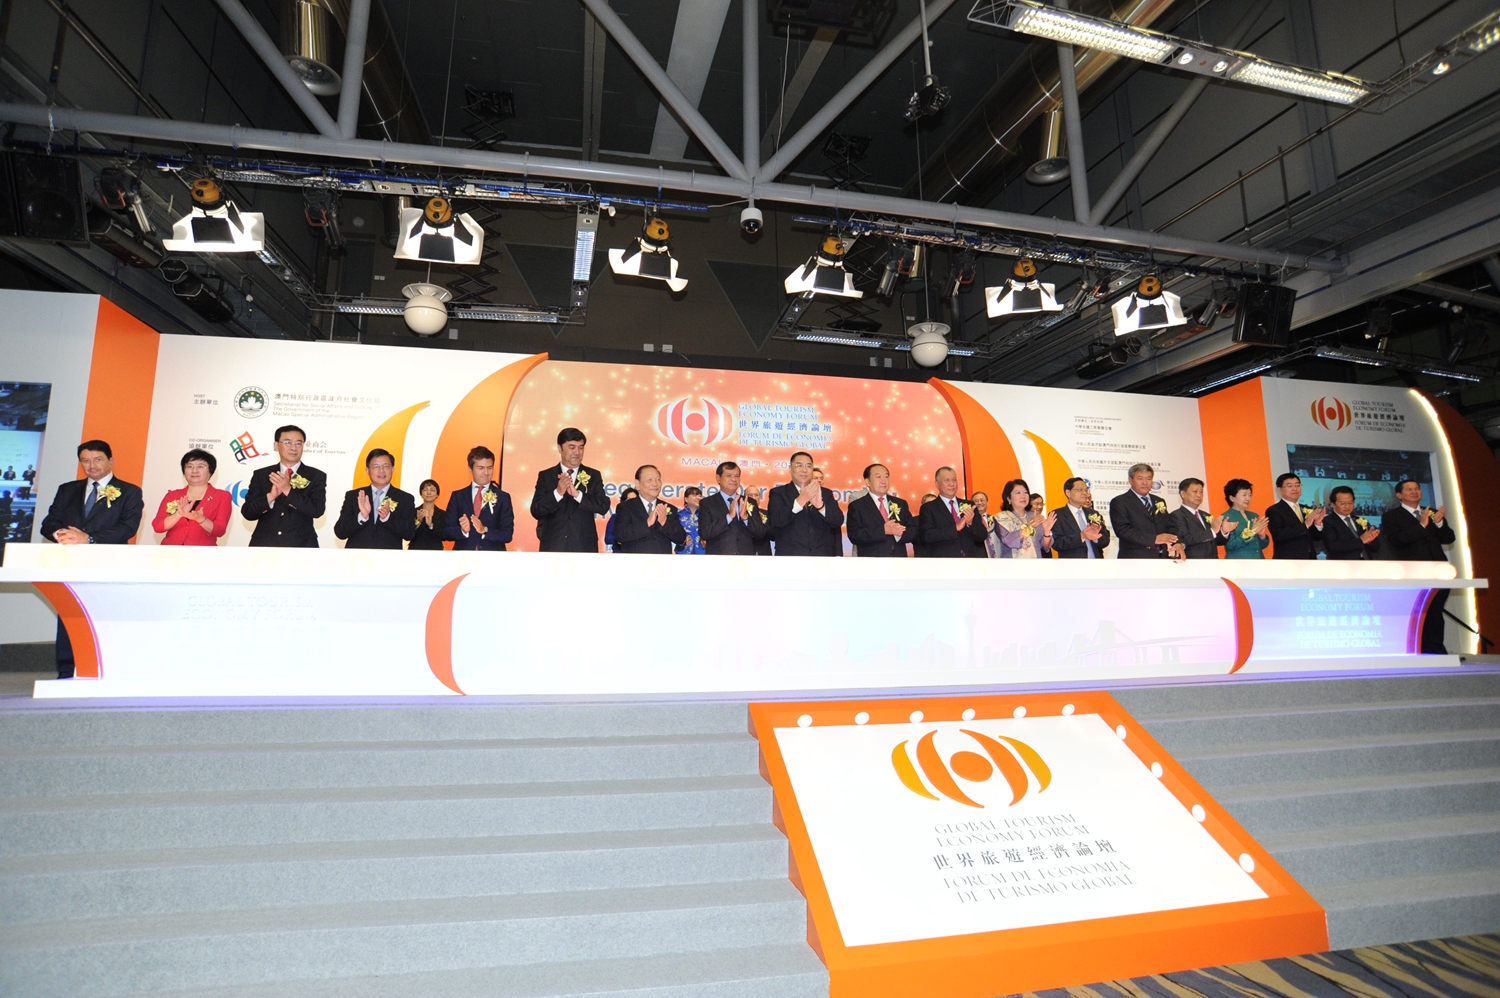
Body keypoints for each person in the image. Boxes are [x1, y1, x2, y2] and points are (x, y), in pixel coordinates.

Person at [40, 440, 144, 678]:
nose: (91, 466)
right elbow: (49, 523)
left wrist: (89, 538)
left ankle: (109, 671)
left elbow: (128, 528)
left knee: (108, 617)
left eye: (98, 460)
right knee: (70, 616)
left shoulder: (129, 491)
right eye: (85, 461)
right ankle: (67, 671)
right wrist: (62, 534)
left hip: (109, 564)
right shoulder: (67, 489)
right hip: (72, 563)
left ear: (111, 461)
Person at [1379, 479, 1455, 653]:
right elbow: (1397, 541)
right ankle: (1419, 649)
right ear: (1399, 495)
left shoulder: (1431, 512)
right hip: (1413, 571)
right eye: (1409, 489)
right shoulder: (1391, 516)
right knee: (1418, 613)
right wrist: (1421, 525)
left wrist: (1439, 523)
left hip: (1439, 570)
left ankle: (1436, 650)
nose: (1414, 492)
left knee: (1435, 610)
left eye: (1417, 489)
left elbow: (1449, 538)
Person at [240, 425, 326, 547]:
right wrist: (270, 497)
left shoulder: (316, 476)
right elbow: (248, 513)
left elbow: (317, 510)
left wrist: (288, 491)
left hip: (302, 545)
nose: (294, 448)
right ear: (276, 445)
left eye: (298, 443)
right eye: (287, 442)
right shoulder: (262, 475)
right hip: (264, 545)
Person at [531, 427, 610, 552]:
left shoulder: (593, 475)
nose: (577, 452)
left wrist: (578, 495)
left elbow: (603, 506)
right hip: (554, 546)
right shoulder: (546, 476)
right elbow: (536, 510)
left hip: (584, 546)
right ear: (559, 448)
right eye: (572, 447)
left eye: (581, 447)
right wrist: (557, 493)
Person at [334, 448, 416, 550]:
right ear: (367, 471)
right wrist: (362, 516)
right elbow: (340, 532)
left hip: (389, 557)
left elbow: (410, 534)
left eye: (386, 466)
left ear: (392, 469)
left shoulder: (405, 498)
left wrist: (388, 518)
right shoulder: (354, 496)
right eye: (376, 466)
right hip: (358, 557)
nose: (381, 470)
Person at [768, 451, 844, 556]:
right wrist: (800, 501)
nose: (804, 470)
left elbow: (838, 520)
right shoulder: (778, 493)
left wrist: (821, 507)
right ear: (790, 469)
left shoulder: (825, 493)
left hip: (821, 558)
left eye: (808, 466)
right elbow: (776, 521)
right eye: (799, 465)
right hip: (790, 557)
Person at [151, 448, 232, 546]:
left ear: (210, 471)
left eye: (200, 466)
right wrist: (178, 514)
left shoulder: (222, 496)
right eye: (189, 466)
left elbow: (220, 531)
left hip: (203, 551)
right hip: (171, 551)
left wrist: (201, 519)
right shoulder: (173, 495)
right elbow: (158, 527)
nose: (194, 471)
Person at [445, 446, 514, 551]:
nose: (486, 473)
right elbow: (446, 531)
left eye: (489, 468)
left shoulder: (503, 497)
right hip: (464, 556)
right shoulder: (458, 496)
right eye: (481, 468)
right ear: (470, 469)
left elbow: (507, 534)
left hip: (492, 555)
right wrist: (463, 531)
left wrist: (485, 530)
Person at [914, 467, 988, 558]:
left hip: (970, 561)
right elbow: (926, 536)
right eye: (947, 480)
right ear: (937, 484)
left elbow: (982, 536)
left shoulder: (969, 505)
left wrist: (971, 523)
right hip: (945, 561)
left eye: (954, 480)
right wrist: (955, 528)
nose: (951, 484)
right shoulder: (928, 508)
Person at [1109, 464, 1180, 559]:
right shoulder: (1120, 501)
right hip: (1135, 559)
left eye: (1148, 479)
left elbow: (1169, 525)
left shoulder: (1158, 501)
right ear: (1130, 480)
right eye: (1140, 478)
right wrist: (1154, 539)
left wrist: (1177, 542)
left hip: (1161, 558)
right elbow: (1123, 531)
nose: (1145, 483)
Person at [612, 465, 687, 554]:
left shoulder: (669, 508)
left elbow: (681, 538)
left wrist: (664, 523)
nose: (655, 484)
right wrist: (647, 523)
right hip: (635, 560)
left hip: (662, 561)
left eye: (658, 479)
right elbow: (620, 535)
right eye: (649, 480)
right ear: (638, 484)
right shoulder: (626, 507)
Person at [699, 462, 768, 555]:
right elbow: (705, 533)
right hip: (719, 558)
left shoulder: (749, 502)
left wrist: (746, 519)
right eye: (729, 475)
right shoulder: (707, 503)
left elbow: (761, 534)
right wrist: (729, 517)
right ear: (718, 478)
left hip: (746, 558)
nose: (734, 479)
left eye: (737, 476)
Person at [845, 463, 914, 557]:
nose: (883, 481)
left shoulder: (900, 503)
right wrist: (883, 530)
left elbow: (913, 530)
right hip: (872, 561)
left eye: (886, 477)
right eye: (878, 477)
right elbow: (854, 535)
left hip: (898, 560)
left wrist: (899, 533)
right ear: (867, 482)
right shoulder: (857, 506)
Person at [1265, 472, 1323, 559]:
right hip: (1288, 559)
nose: (1295, 488)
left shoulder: (1307, 509)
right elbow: (1279, 535)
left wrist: (1318, 524)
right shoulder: (1274, 510)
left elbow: (1316, 538)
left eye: (1297, 485)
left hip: (1310, 559)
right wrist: (1305, 525)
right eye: (1290, 486)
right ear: (1279, 490)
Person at [1051, 477, 1110, 559]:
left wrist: (1095, 537)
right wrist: (1081, 536)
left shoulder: (1093, 514)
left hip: (1096, 563)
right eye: (1080, 490)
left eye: (1086, 490)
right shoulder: (1057, 515)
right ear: (1068, 493)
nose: (1084, 493)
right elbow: (1057, 543)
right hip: (1072, 564)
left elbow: (1106, 540)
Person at [995, 479, 1054, 558]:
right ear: (1009, 498)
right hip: (1013, 563)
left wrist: (1046, 531)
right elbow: (1009, 541)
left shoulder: (1033, 516)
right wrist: (1029, 527)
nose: (1023, 496)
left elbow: (1045, 547)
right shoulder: (1002, 518)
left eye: (1025, 492)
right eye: (1018, 493)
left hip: (1035, 563)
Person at [1322, 486, 1381, 561]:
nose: (1347, 506)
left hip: (1366, 562)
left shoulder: (1361, 520)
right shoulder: (1327, 521)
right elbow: (1332, 546)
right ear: (1333, 504)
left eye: (1350, 503)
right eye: (1342, 503)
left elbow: (1376, 547)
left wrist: (1370, 541)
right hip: (1343, 564)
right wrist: (1361, 541)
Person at [1170, 478, 1222, 560]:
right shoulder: (1176, 515)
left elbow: (1216, 540)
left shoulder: (1206, 515)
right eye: (1195, 492)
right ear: (1183, 494)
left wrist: (1224, 532)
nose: (1199, 495)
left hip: (1213, 562)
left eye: (1201, 492)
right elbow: (1185, 539)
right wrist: (1212, 531)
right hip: (1192, 562)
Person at [1219, 478, 1270, 559]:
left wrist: (1262, 536)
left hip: (1259, 561)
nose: (1248, 498)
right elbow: (1230, 546)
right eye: (1244, 495)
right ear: (1232, 498)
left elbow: (1262, 545)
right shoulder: (1226, 518)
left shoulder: (1254, 515)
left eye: (1250, 495)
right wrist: (1252, 532)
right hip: (1238, 563)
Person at [409, 479, 448, 551]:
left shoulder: (443, 514)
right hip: (415, 551)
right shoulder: (413, 512)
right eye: (425, 490)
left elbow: (444, 536)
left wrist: (431, 526)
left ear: (437, 494)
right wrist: (418, 521)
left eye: (432, 490)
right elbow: (408, 534)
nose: (429, 492)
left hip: (435, 551)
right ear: (421, 494)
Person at [604, 487, 639, 551]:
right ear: (623, 501)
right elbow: (608, 538)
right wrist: (622, 538)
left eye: (634, 500)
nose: (632, 502)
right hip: (619, 553)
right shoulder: (615, 517)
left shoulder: (642, 518)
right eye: (629, 499)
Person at [744, 486, 774, 555]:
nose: (753, 498)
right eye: (750, 495)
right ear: (744, 497)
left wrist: (761, 522)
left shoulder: (766, 514)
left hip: (764, 555)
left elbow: (773, 536)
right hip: (746, 555)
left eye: (756, 495)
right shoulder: (741, 514)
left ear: (760, 497)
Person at [677, 486, 706, 554]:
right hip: (683, 553)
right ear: (686, 499)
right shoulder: (678, 515)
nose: (698, 498)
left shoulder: (705, 515)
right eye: (694, 495)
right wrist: (683, 542)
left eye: (700, 496)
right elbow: (674, 534)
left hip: (702, 553)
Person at [973, 492, 998, 557]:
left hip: (993, 554)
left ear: (987, 502)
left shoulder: (995, 519)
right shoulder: (969, 521)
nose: (979, 503)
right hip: (976, 555)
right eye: (976, 501)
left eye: (982, 500)